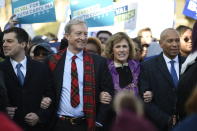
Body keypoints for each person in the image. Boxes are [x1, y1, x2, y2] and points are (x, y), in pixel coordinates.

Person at [47, 19, 114, 131]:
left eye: (85, 34)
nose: (83, 38)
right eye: (78, 33)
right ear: (67, 36)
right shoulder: (53, 61)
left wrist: (98, 122)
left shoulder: (99, 62)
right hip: (59, 124)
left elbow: (108, 91)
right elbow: (46, 89)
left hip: (87, 124)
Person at [0, 27, 54, 131]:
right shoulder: (1, 69)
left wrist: (39, 116)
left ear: (23, 44)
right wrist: (3, 110)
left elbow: (51, 95)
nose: (4, 45)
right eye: (3, 41)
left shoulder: (41, 68)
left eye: (9, 41)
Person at [139, 28, 185, 131]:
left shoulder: (189, 64)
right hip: (158, 125)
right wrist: (165, 120)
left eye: (177, 40)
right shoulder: (147, 67)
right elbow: (145, 99)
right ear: (161, 44)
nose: (174, 44)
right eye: (170, 41)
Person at [176, 21, 197, 120]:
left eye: (192, 38)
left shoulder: (194, 61)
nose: (190, 41)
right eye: (186, 39)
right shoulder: (172, 62)